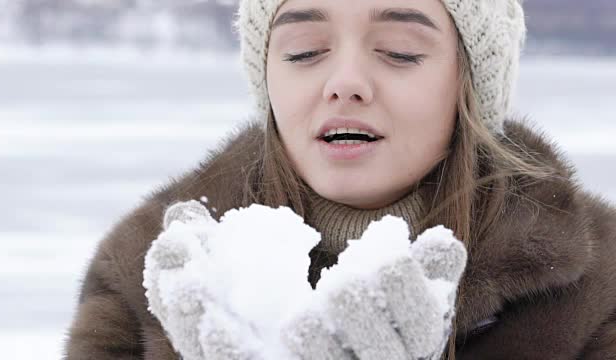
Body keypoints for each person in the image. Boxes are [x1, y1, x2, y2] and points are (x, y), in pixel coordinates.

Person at [64, 0, 616, 359]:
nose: (345, 83)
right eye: (305, 52)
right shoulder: (145, 273)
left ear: (469, 82)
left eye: (400, 52)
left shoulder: (599, 290)